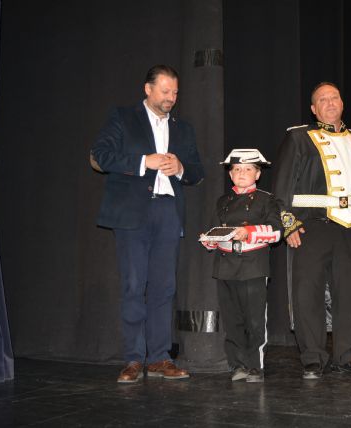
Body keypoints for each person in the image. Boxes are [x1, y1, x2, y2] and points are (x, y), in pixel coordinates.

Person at [91, 64, 204, 383]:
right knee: (133, 285)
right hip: (132, 213)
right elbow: (100, 155)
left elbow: (198, 171)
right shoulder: (123, 117)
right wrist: (144, 162)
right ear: (148, 89)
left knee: (164, 287)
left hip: (168, 211)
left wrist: (180, 167)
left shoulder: (184, 129)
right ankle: (132, 357)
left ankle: (159, 357)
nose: (171, 97)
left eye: (175, 92)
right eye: (166, 91)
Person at [272, 82, 351, 379]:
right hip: (310, 227)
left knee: (348, 294)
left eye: (334, 98)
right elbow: (281, 188)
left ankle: (346, 357)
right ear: (314, 108)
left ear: (342, 103)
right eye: (322, 100)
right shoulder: (299, 138)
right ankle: (313, 358)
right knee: (308, 294)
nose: (330, 103)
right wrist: (288, 223)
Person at [200, 149, 282, 383]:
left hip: (253, 266)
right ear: (230, 174)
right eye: (236, 169)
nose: (241, 173)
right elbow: (217, 232)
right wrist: (209, 240)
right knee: (232, 320)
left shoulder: (268, 199)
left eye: (247, 169)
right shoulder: (222, 201)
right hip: (225, 266)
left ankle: (255, 366)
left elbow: (277, 232)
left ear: (257, 174)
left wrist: (248, 232)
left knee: (254, 320)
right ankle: (238, 365)